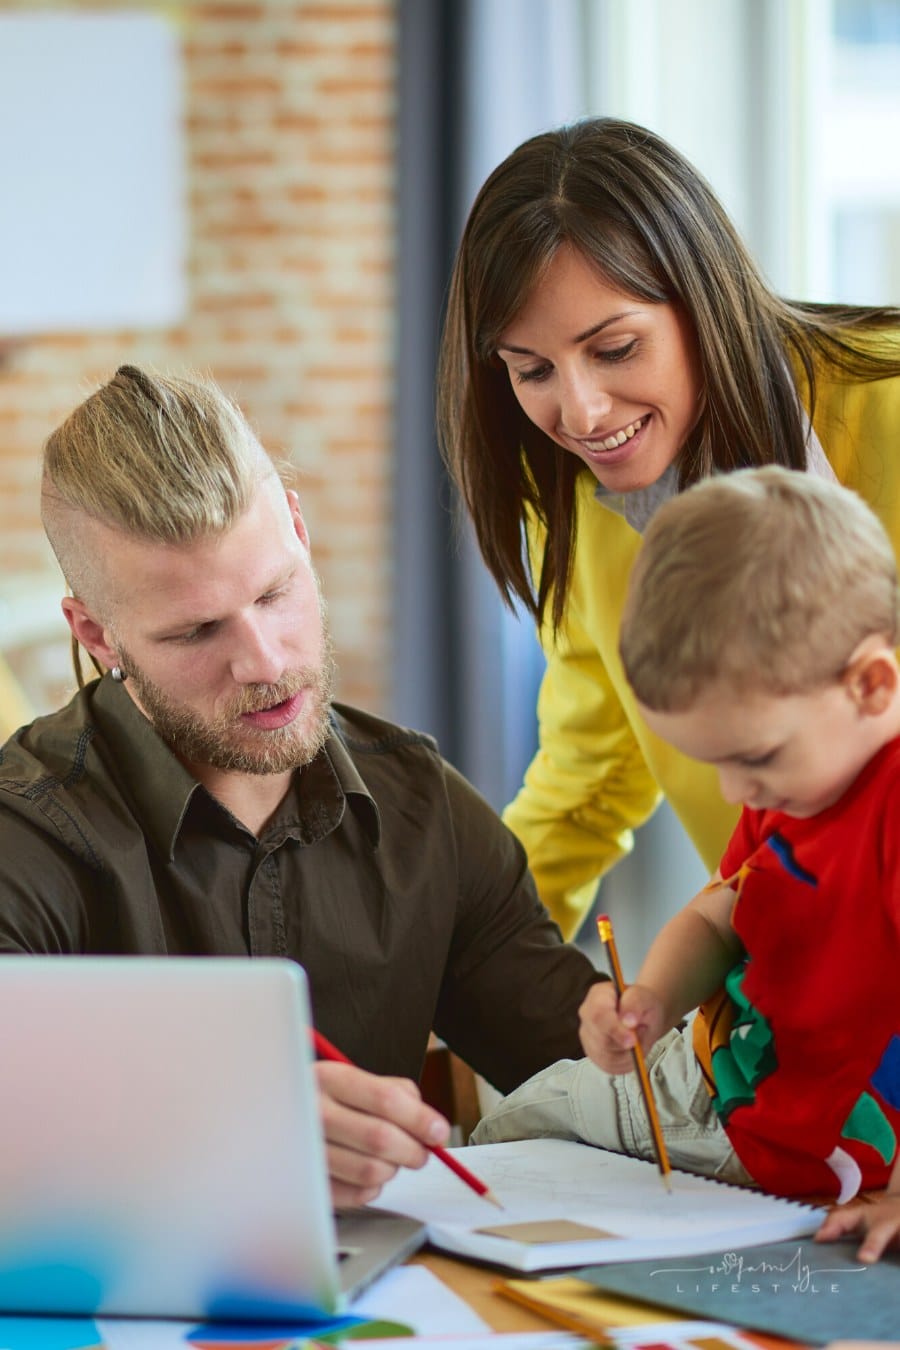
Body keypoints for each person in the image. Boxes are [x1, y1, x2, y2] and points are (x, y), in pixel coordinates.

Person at [0, 364, 602, 1208]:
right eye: (197, 631)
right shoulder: (22, 841)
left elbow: (594, 1066)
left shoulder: (424, 809)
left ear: (297, 526)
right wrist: (219, 1133)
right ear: (97, 634)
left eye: (275, 592)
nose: (267, 661)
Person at [436, 115, 900, 940]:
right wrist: (440, 974)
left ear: (703, 300)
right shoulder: (578, 511)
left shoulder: (886, 407)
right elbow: (587, 784)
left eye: (614, 349)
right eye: (531, 370)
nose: (578, 412)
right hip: (810, 978)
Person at [473, 467, 900, 1262]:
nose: (736, 791)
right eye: (711, 762)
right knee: (504, 1138)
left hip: (813, 1168)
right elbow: (719, 914)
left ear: (871, 683)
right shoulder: (801, 779)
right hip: (711, 1096)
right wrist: (651, 1001)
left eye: (755, 758)